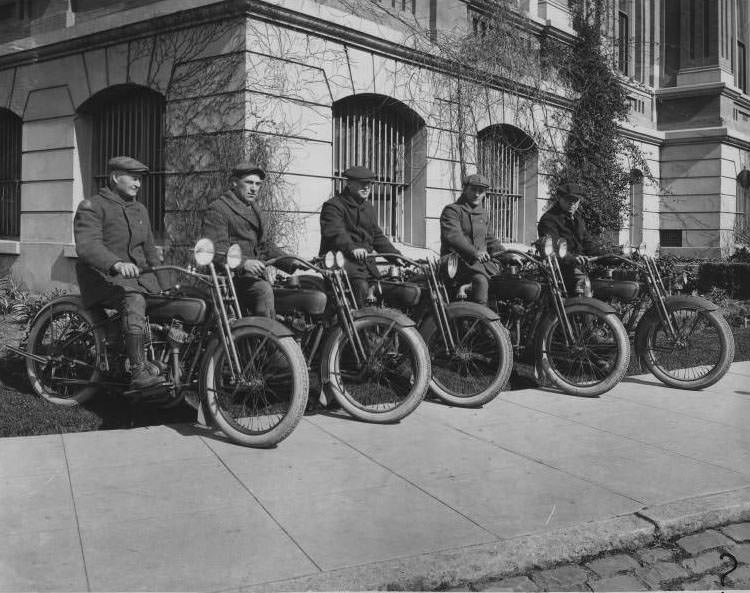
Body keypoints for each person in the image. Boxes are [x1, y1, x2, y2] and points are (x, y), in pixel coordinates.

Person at [74, 156, 165, 390]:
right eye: (133, 178)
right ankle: (138, 371)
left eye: (140, 179)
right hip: (101, 278)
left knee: (173, 302)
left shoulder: (139, 210)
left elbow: (150, 254)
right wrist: (116, 264)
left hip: (136, 279)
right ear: (115, 177)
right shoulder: (92, 206)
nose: (138, 184)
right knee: (133, 299)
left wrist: (164, 286)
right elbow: (88, 246)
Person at [202, 162, 293, 318]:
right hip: (228, 280)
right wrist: (244, 263)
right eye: (249, 182)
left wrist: (291, 261)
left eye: (258, 184)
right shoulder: (218, 209)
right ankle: (267, 339)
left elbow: (264, 247)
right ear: (234, 182)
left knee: (295, 291)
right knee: (263, 290)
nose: (254, 188)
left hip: (252, 280)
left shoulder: (255, 210)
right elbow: (216, 249)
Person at [319, 166, 401, 305]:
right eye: (362, 184)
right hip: (341, 265)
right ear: (349, 184)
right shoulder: (333, 206)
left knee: (387, 288)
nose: (366, 188)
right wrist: (352, 248)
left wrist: (395, 256)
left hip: (366, 266)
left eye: (369, 184)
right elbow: (336, 233)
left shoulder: (368, 208)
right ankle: (358, 325)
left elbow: (377, 236)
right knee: (362, 289)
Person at [439, 173, 502, 305]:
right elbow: (453, 236)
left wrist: (508, 254)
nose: (477, 194)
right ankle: (481, 320)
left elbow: (490, 239)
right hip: (456, 264)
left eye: (481, 191)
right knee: (480, 281)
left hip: (479, 264)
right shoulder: (452, 211)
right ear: (465, 189)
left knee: (506, 279)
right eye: (473, 189)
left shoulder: (483, 214)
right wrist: (475, 252)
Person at [537, 181, 600, 292]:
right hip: (560, 270)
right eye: (568, 200)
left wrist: (610, 255)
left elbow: (588, 243)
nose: (572, 204)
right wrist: (572, 258)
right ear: (559, 198)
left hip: (578, 267)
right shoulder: (549, 219)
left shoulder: (577, 219)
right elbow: (554, 248)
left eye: (575, 200)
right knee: (585, 285)